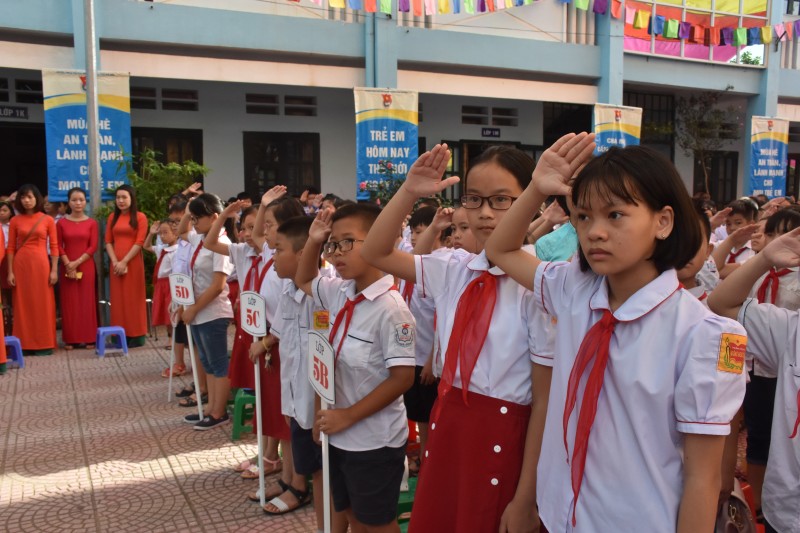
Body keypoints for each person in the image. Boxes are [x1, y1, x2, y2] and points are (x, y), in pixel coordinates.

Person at [485, 136, 747, 532]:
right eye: (584, 217)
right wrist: (538, 187)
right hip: (562, 517)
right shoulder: (574, 291)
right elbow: (500, 250)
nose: (595, 232)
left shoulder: (703, 335)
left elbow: (702, 477)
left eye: (615, 215)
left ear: (663, 221)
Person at [361, 144, 556, 533]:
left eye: (502, 200)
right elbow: (376, 251)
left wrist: (526, 497)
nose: (485, 213)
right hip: (450, 424)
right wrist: (409, 191)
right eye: (474, 199)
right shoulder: (454, 268)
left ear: (531, 203)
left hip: (506, 436)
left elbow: (545, 399)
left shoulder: (542, 284)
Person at [296, 204, 416, 533]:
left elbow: (403, 378)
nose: (336, 253)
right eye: (332, 245)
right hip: (339, 435)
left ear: (379, 241)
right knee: (351, 515)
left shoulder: (392, 309)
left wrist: (348, 416)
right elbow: (304, 277)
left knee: (376, 523)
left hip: (375, 441)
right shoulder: (340, 292)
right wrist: (314, 239)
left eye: (348, 242)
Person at [708, 227, 800, 533]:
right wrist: (764, 260)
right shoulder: (792, 330)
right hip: (787, 509)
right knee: (759, 436)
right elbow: (722, 303)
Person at [243, 189, 304, 494]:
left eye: (269, 224)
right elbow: (256, 236)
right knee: (281, 414)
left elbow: (287, 311)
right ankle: (286, 476)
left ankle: (294, 482)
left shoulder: (292, 263)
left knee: (289, 416)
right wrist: (265, 204)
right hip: (271, 342)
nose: (263, 231)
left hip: (279, 344)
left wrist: (266, 342)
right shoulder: (273, 254)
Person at [176, 193, 234, 430]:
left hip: (213, 312)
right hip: (199, 311)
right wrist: (189, 207)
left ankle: (219, 412)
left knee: (218, 363)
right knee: (207, 362)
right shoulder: (201, 238)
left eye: (199, 218)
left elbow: (218, 285)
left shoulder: (222, 244)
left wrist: (193, 309)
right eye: (193, 217)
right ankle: (210, 408)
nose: (194, 222)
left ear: (214, 217)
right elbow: (181, 232)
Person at [7, 184, 58, 355]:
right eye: (23, 197)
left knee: (43, 303)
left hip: (42, 264)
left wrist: (54, 270)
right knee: (22, 304)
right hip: (21, 266)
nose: (27, 200)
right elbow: (11, 248)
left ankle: (45, 343)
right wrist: (10, 271)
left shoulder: (48, 220)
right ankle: (24, 344)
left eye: (30, 197)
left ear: (37, 198)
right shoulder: (15, 220)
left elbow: (55, 247)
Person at [105, 184, 148, 347]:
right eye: (118, 198)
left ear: (132, 199)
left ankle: (136, 335)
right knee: (117, 299)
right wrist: (115, 261)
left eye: (124, 197)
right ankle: (119, 334)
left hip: (133, 262)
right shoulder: (112, 218)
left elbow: (139, 242)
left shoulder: (140, 217)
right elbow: (108, 241)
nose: (121, 201)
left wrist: (124, 261)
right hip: (116, 263)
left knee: (133, 298)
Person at [56, 187, 99, 349]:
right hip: (67, 266)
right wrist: (68, 264)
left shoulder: (91, 223)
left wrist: (76, 263)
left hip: (86, 266)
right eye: (74, 200)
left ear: (85, 202)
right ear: (68, 202)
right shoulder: (61, 223)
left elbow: (92, 246)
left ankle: (89, 337)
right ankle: (71, 339)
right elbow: (58, 246)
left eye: (81, 199)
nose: (78, 203)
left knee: (87, 301)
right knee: (70, 303)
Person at [143, 219, 181, 373]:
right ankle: (171, 337)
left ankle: (176, 342)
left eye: (166, 232)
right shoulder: (162, 249)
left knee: (171, 314)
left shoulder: (178, 250)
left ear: (175, 233)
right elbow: (145, 246)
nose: (163, 236)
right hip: (161, 285)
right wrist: (151, 233)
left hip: (170, 284)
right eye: (161, 233)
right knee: (165, 314)